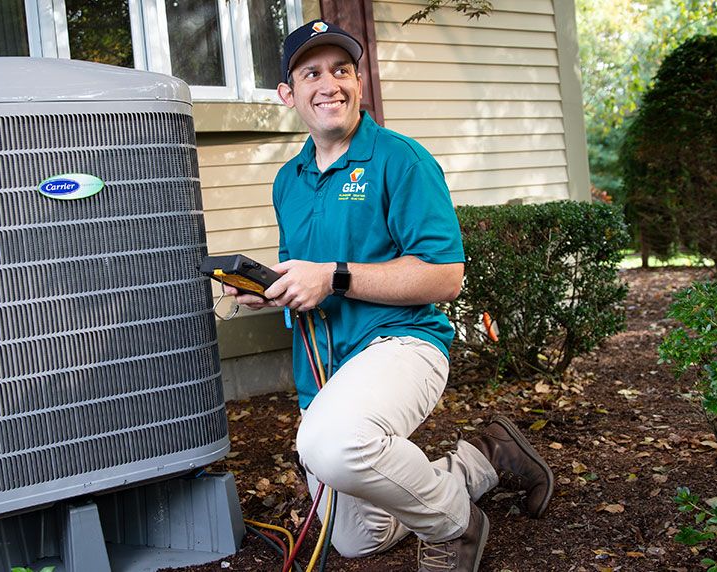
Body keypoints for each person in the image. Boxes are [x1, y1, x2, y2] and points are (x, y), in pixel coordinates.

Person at [223, 19, 555, 571]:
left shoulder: (401, 159)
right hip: (325, 371)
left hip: (404, 344)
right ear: (288, 94)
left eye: (342, 70)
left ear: (359, 82)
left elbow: (445, 276)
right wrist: (277, 292)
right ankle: (488, 459)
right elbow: (312, 278)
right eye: (311, 73)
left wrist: (332, 275)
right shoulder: (288, 180)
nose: (329, 83)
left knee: (334, 443)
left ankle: (457, 526)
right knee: (358, 538)